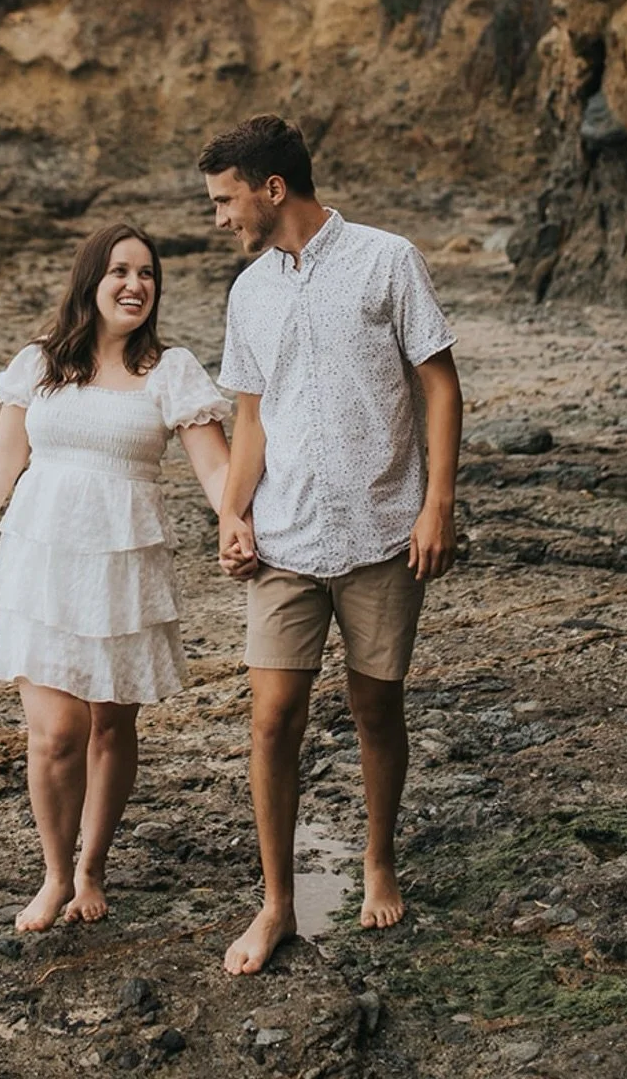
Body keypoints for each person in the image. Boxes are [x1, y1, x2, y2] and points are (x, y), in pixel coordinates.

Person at [0, 221, 233, 933]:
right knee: (55, 734)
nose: (135, 285)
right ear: (91, 279)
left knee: (112, 728)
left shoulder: (170, 371)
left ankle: (94, 866)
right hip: (45, 561)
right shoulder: (40, 363)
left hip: (123, 563)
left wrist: (236, 525)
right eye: (120, 270)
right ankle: (56, 873)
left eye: (147, 274)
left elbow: (215, 468)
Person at [201, 114, 462, 976]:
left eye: (224, 200)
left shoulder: (388, 260)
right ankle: (276, 903)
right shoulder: (249, 292)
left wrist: (437, 506)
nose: (220, 220)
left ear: (272, 189)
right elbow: (249, 417)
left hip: (385, 531)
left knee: (375, 711)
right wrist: (233, 516)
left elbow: (439, 384)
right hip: (283, 538)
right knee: (273, 720)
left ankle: (378, 859)